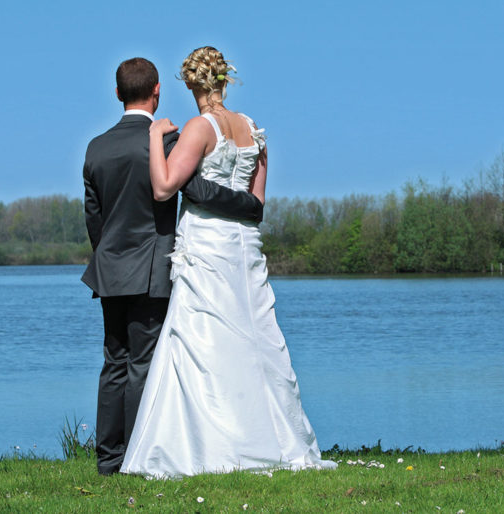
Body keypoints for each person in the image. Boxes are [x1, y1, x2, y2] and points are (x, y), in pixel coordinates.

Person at [120, 46, 336, 477]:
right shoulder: (254, 131)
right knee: (254, 340)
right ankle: (269, 438)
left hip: (207, 245)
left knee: (204, 340)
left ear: (190, 84)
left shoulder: (200, 128)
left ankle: (211, 445)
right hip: (244, 248)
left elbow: (164, 187)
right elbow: (256, 203)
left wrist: (155, 137)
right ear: (224, 80)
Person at [81, 57, 264, 476]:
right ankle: (136, 455)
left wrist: (107, 255)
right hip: (152, 269)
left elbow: (94, 216)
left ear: (116, 93)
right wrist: (249, 206)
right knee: (143, 363)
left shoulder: (95, 147)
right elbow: (196, 190)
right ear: (158, 90)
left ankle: (107, 459)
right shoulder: (163, 139)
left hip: (110, 268)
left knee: (113, 363)